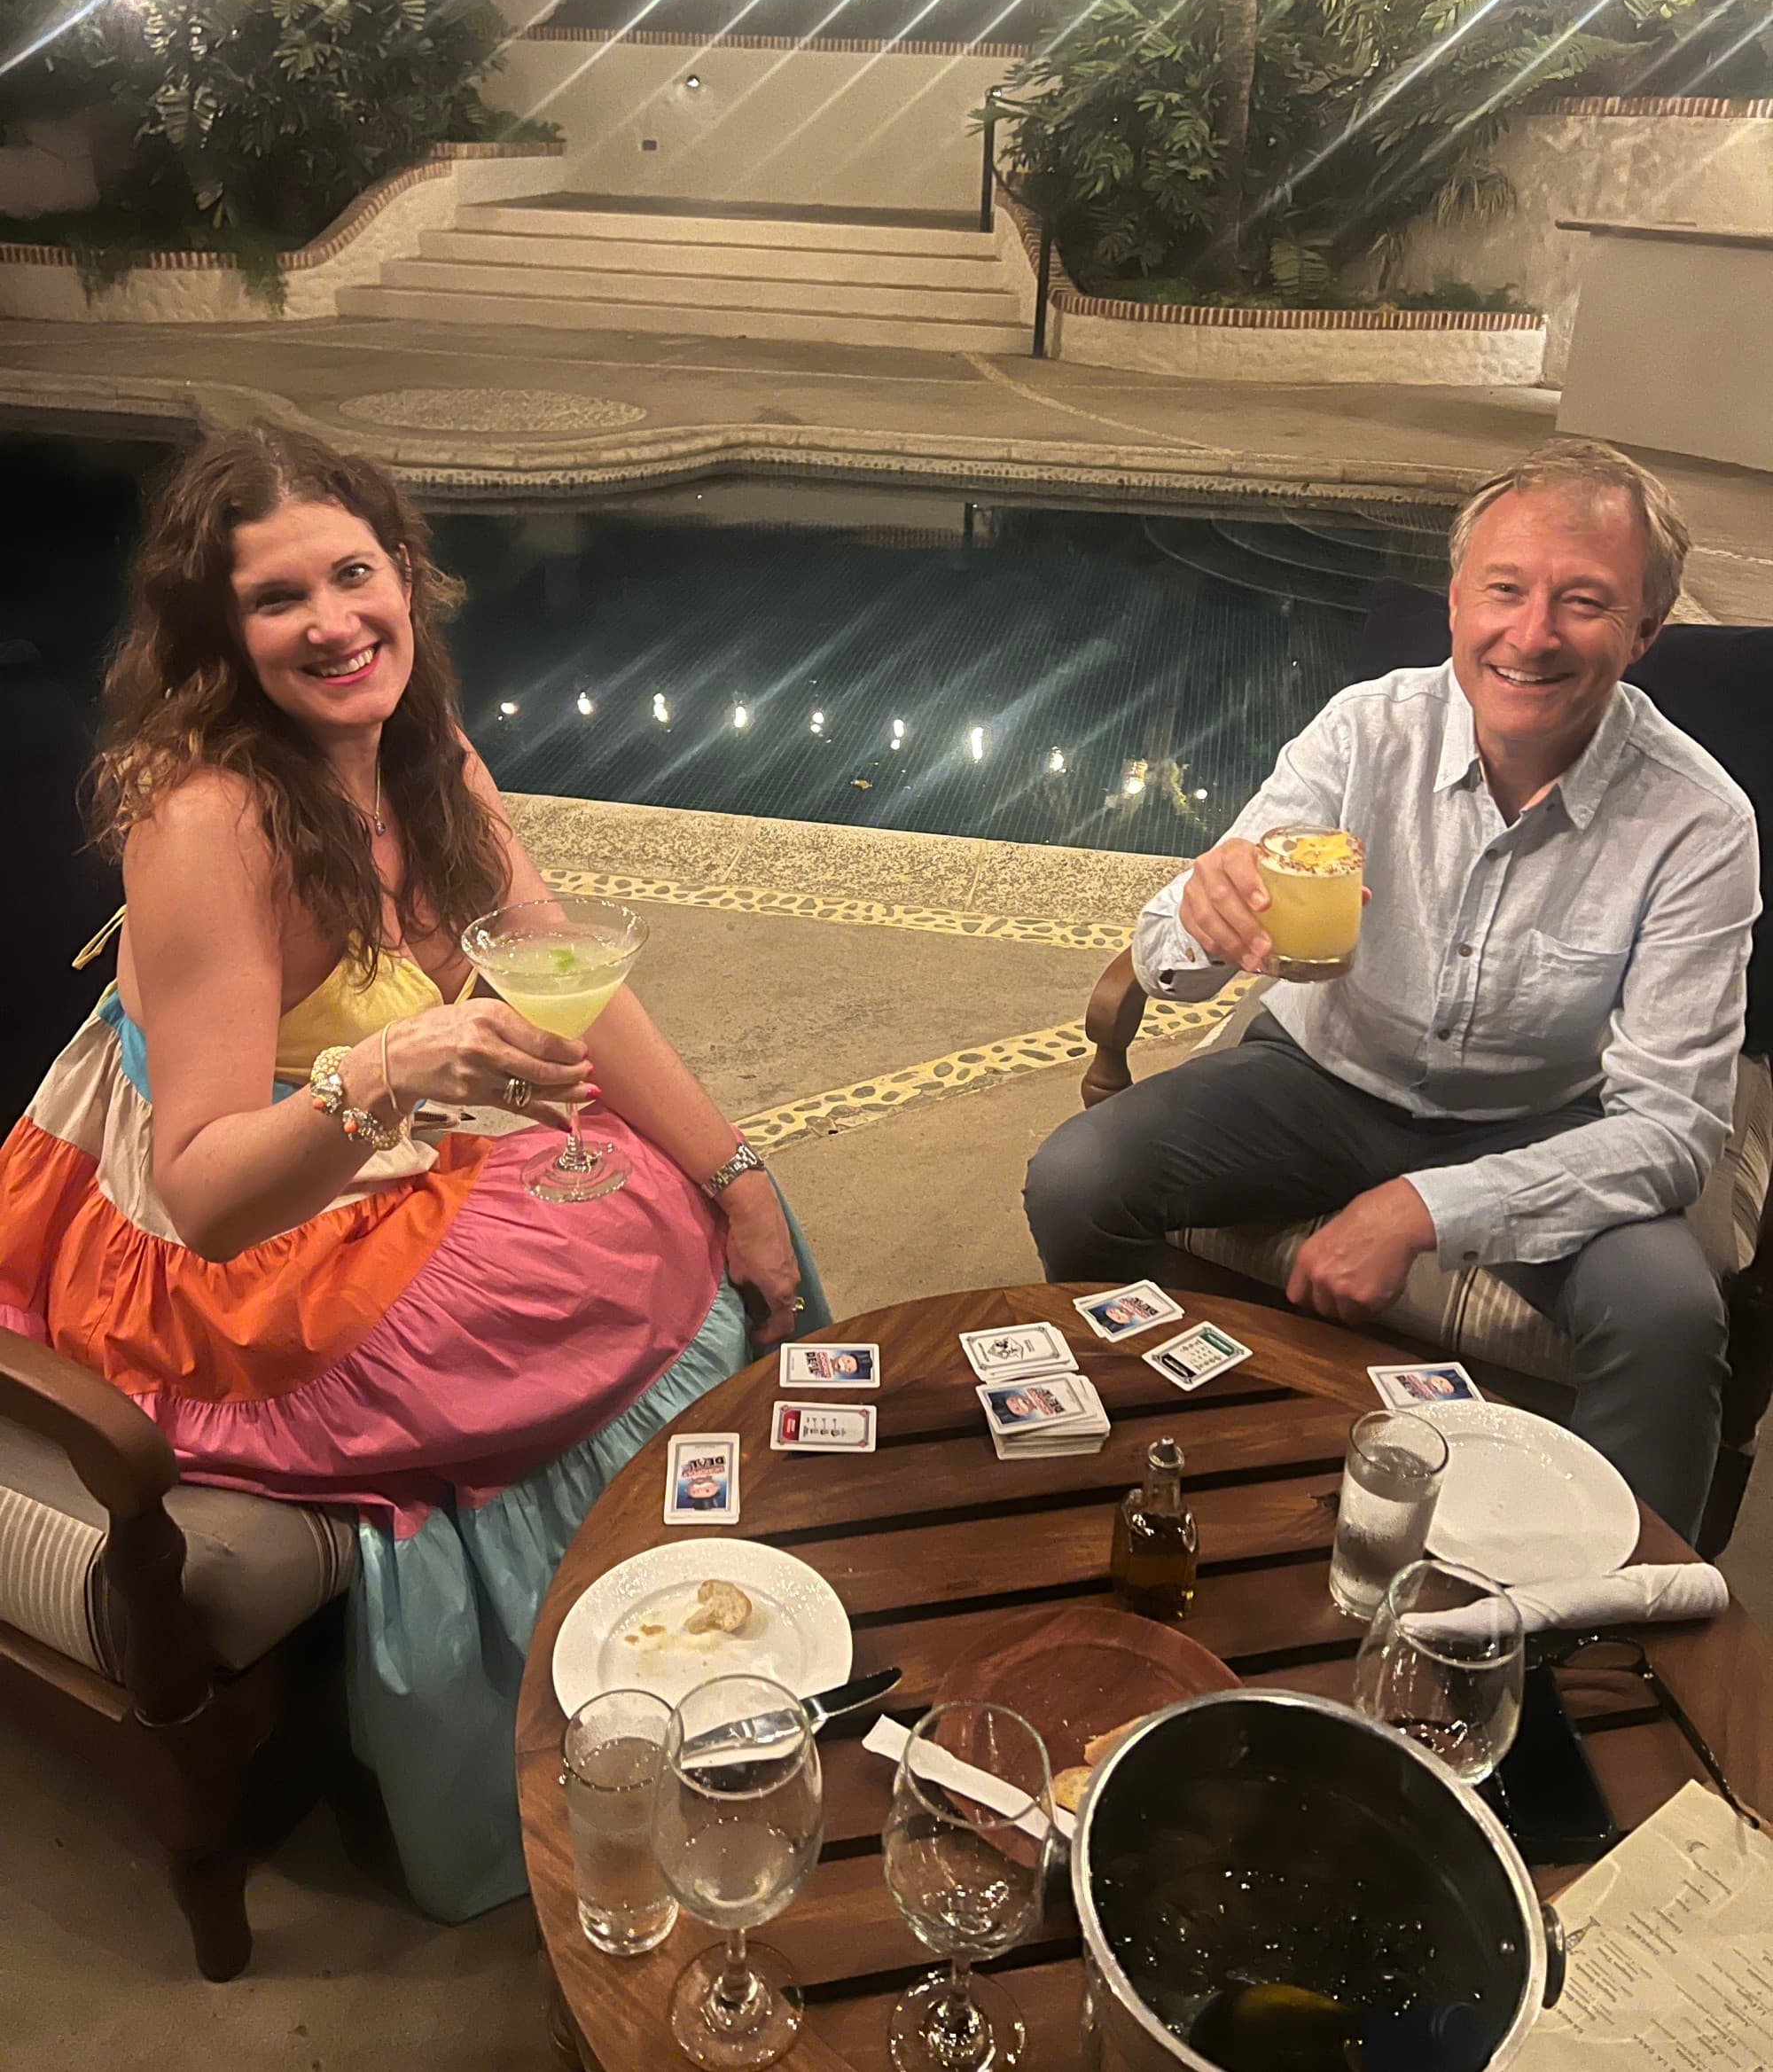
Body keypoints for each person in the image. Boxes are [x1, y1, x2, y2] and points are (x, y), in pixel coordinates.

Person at [0, 425, 826, 1920]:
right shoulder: (204, 823)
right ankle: (560, 1691)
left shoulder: (427, 756)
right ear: (218, 635)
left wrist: (739, 1169)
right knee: (586, 1251)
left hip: (365, 1157)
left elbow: (566, 974)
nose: (332, 621)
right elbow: (198, 1189)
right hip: (210, 1244)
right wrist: (390, 1071)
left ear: (406, 578)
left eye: (353, 572)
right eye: (276, 599)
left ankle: (653, 1614)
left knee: (652, 1189)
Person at [1026, 439, 1759, 1542]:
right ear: (1457, 600)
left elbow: (1666, 1129)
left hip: (1548, 1120)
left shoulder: (1699, 824)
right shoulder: (1365, 729)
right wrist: (1200, 915)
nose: (1530, 634)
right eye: (1502, 591)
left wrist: (1422, 1210)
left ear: (1644, 630)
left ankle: (1619, 1635)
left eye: (1583, 602)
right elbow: (1175, 956)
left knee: (1665, 1316)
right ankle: (1179, 1446)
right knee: (1075, 1176)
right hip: (1322, 1074)